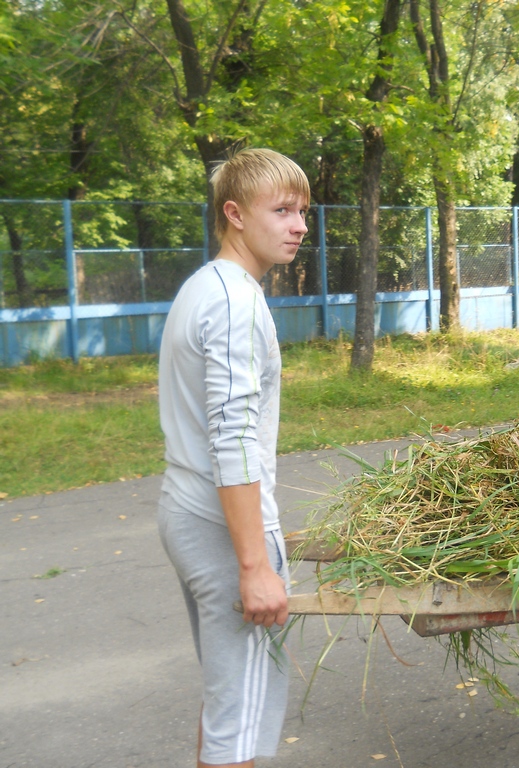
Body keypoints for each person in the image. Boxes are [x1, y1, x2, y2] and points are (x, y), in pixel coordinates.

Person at [158, 147, 310, 767]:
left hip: (188, 512)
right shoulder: (234, 302)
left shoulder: (205, 287)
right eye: (281, 209)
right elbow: (234, 439)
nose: (299, 224)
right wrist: (254, 563)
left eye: (302, 210)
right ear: (235, 214)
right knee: (239, 722)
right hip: (223, 533)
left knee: (228, 704)